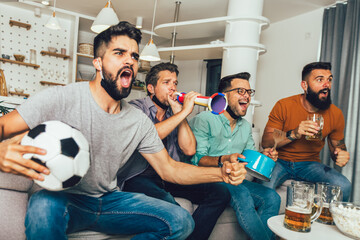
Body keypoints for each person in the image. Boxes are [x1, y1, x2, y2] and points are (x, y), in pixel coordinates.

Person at [0, 21, 246, 240]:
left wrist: (221, 174)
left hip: (110, 200)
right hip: (65, 198)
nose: (130, 60)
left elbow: (170, 169)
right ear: (98, 62)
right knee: (42, 209)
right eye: (119, 53)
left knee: (181, 221)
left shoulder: (137, 121)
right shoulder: (60, 98)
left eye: (134, 56)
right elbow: (3, 127)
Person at [122, 62, 231, 240]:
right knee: (174, 211)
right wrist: (183, 113)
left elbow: (189, 149)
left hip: (170, 175)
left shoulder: (174, 113)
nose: (173, 88)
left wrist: (180, 113)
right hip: (138, 176)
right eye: (166, 83)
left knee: (220, 192)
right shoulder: (135, 108)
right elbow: (149, 135)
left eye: (175, 83)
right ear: (151, 88)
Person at [189, 72, 281, 240]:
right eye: (240, 91)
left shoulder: (245, 126)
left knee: (272, 197)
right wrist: (224, 158)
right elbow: (198, 159)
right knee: (243, 195)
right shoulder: (204, 119)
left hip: (233, 180)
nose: (246, 96)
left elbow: (248, 157)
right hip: (209, 178)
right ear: (224, 96)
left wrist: (264, 155)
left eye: (249, 92)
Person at [260, 62, 351, 201]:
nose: (326, 84)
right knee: (264, 190)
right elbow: (266, 142)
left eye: (329, 79)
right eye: (320, 80)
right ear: (305, 85)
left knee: (344, 186)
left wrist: (341, 153)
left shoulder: (336, 113)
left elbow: (337, 147)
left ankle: (323, 222)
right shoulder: (284, 105)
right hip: (280, 160)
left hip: (310, 164)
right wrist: (294, 133)